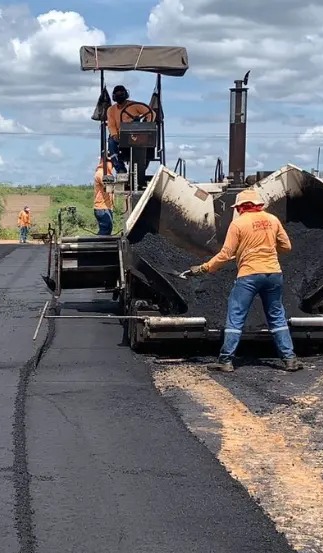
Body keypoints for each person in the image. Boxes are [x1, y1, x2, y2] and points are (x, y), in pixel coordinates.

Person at [181, 188, 303, 372]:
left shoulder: (238, 224)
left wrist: (204, 268)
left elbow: (225, 255)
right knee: (277, 315)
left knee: (236, 315)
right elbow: (286, 247)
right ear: (258, 204)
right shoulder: (272, 220)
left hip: (249, 275)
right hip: (274, 274)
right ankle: (290, 359)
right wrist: (266, 248)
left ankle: (226, 360)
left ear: (240, 207)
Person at [105, 85, 153, 176]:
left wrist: (146, 124)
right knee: (111, 142)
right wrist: (115, 135)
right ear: (114, 96)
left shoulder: (135, 105)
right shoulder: (111, 110)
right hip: (120, 137)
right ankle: (120, 169)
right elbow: (111, 125)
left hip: (137, 135)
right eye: (117, 94)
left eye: (121, 94)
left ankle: (141, 168)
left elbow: (151, 113)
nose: (119, 96)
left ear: (125, 94)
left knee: (149, 144)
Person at [94, 157, 115, 235]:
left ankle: (101, 241)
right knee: (105, 230)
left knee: (107, 229)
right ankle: (99, 242)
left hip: (105, 207)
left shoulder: (105, 173)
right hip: (102, 208)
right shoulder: (101, 173)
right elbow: (107, 185)